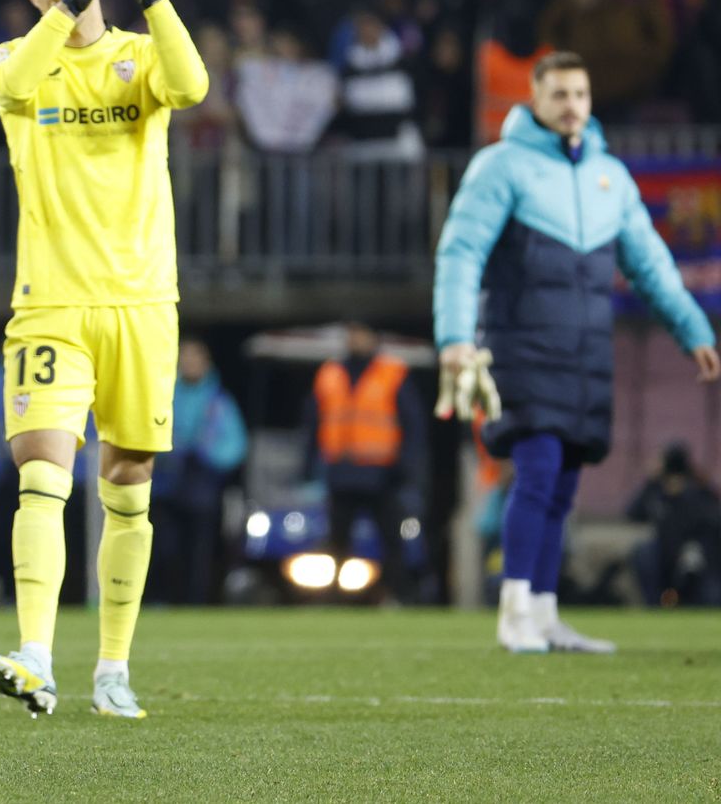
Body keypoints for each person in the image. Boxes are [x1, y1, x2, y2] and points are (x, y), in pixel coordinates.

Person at [0, 0, 209, 719]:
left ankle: (112, 670)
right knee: (41, 474)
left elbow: (193, 85)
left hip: (142, 302)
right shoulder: (12, 61)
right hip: (51, 305)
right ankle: (36, 657)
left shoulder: (140, 57)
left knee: (128, 486)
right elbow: (21, 81)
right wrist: (75, 0)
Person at [434, 50, 720, 653]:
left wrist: (694, 331)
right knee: (537, 473)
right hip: (521, 347)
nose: (572, 106)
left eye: (580, 95)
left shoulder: (609, 176)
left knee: (563, 485)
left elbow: (652, 265)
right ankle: (514, 612)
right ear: (536, 100)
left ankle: (543, 614)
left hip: (586, 353)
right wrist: (455, 338)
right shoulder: (501, 166)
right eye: (560, 94)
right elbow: (461, 252)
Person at [301, 323, 425, 603]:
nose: (355, 340)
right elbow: (313, 422)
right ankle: (332, 598)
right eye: (352, 335)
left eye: (361, 334)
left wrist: (405, 466)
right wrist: (308, 466)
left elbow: (412, 424)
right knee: (337, 541)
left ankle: (398, 595)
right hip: (342, 473)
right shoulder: (330, 373)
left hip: (382, 474)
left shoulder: (392, 372)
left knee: (391, 539)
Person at [151, 337, 246, 605]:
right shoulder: (165, 396)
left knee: (199, 551)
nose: (189, 363)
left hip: (202, 485)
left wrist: (207, 457)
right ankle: (161, 600)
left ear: (206, 362)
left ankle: (196, 602)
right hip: (167, 482)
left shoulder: (219, 401)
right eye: (185, 358)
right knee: (164, 547)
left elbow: (236, 445)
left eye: (195, 357)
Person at [627, 443, 721, 607]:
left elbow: (713, 524)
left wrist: (694, 547)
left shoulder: (698, 490)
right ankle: (654, 604)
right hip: (665, 553)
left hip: (697, 553)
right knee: (644, 552)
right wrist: (649, 481)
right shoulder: (656, 491)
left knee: (710, 594)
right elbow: (632, 513)